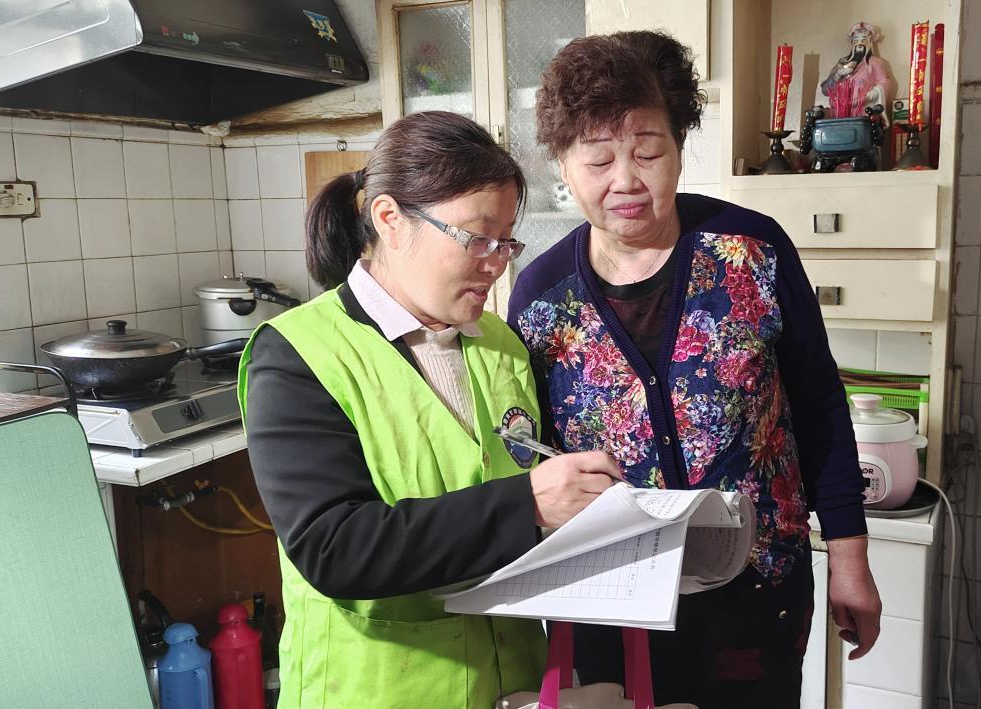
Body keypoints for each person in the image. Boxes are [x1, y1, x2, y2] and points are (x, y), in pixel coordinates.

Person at [507, 32, 882, 707]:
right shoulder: (539, 297)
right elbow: (530, 457)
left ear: (679, 147)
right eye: (598, 159)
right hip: (610, 602)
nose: (626, 179)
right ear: (563, 164)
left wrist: (849, 557)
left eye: (648, 152)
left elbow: (820, 406)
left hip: (757, 594)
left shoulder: (753, 251)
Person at [239, 111, 621, 709]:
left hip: (513, 682)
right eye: (477, 238)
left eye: (506, 241)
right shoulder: (298, 355)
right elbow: (333, 547)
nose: (497, 263)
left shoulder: (500, 343)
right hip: (379, 689)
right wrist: (526, 504)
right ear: (390, 220)